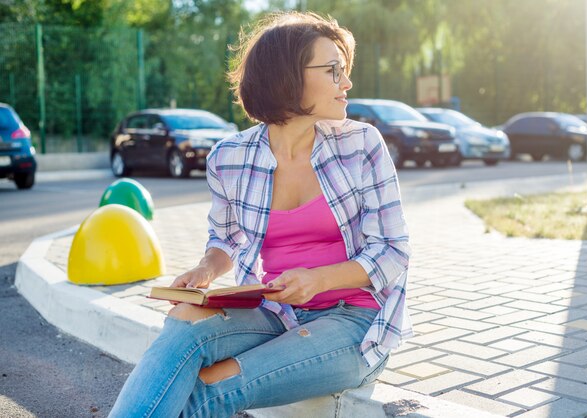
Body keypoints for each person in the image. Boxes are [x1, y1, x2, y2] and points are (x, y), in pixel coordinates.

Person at [109, 11, 412, 418]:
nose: (347, 82)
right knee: (183, 324)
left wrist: (318, 280)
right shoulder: (229, 158)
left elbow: (393, 252)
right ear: (288, 77)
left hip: (356, 321)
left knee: (213, 389)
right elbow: (225, 240)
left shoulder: (362, 145)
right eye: (333, 70)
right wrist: (204, 271)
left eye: (344, 69)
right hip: (274, 312)